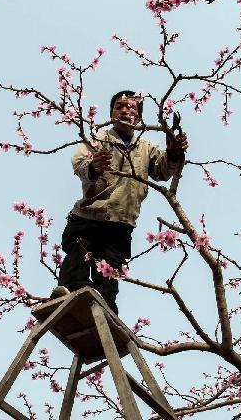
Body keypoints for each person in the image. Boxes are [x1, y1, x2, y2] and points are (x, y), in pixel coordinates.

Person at [51, 90, 188, 315]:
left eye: (131, 107)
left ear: (139, 119)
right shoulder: (98, 140)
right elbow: (79, 162)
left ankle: (104, 315)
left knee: (109, 275)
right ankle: (68, 297)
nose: (125, 110)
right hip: (88, 218)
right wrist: (94, 166)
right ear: (112, 113)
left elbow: (162, 171)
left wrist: (173, 153)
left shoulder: (146, 148)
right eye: (119, 107)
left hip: (121, 224)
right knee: (76, 263)